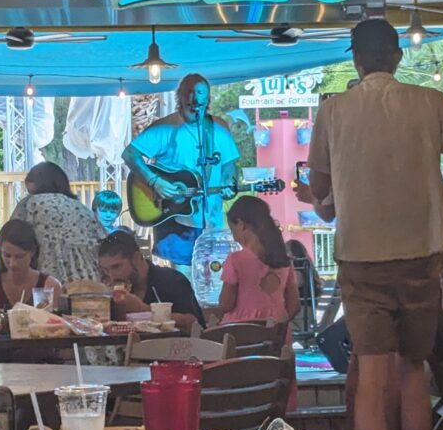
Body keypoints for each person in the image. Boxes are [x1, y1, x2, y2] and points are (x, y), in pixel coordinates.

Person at [308, 17, 443, 430]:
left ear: (356, 61)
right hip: (423, 256)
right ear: (397, 57)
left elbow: (321, 191)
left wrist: (325, 203)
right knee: (414, 368)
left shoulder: (333, 111)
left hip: (360, 259)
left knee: (374, 370)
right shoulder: (429, 102)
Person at [122, 74, 239, 271]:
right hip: (174, 218)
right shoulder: (165, 128)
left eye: (200, 93)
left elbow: (229, 165)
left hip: (212, 220)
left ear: (208, 97)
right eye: (189, 93)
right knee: (184, 280)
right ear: (180, 97)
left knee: (213, 283)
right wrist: (154, 181)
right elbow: (130, 154)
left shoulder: (219, 128)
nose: (194, 99)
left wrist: (230, 182)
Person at [11, 162, 104, 285]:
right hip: (90, 283)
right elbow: (103, 242)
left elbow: (11, 239)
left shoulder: (30, 204)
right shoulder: (82, 209)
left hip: (48, 283)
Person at [98, 230, 205, 332]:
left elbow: (193, 324)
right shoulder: (114, 291)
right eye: (107, 270)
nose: (112, 276)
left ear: (136, 258)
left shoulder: (171, 280)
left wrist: (142, 309)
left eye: (117, 266)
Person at [219, 196, 300, 326]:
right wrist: (278, 324)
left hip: (241, 334)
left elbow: (226, 305)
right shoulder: (283, 260)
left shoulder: (235, 260)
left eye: (232, 230)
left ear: (240, 223)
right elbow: (294, 305)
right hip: (278, 336)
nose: (234, 238)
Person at [0, 219, 61, 314]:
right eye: (7, 255)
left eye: (19, 256)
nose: (12, 263)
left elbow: (58, 325)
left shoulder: (49, 287)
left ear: (32, 252)